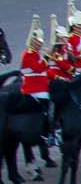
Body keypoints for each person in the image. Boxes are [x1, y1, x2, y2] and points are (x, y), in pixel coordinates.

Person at [17, 17, 57, 147]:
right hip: (33, 88)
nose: (40, 44)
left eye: (40, 42)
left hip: (41, 85)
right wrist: (46, 56)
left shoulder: (36, 53)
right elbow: (38, 68)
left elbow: (45, 69)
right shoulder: (28, 54)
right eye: (37, 42)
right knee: (48, 109)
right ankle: (47, 134)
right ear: (32, 41)